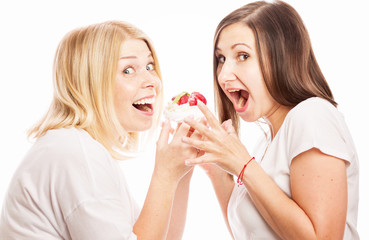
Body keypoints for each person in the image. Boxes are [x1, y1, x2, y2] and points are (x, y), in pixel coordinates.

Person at [0, 21, 199, 240]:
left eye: (150, 67)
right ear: (90, 83)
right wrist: (165, 173)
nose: (152, 81)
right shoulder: (75, 153)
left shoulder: (77, 147)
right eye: (128, 70)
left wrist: (181, 171)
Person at [181, 1, 359, 239]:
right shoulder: (265, 144)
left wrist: (242, 164)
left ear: (283, 58)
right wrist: (216, 169)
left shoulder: (313, 115)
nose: (223, 76)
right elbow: (251, 233)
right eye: (221, 59)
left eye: (243, 55)